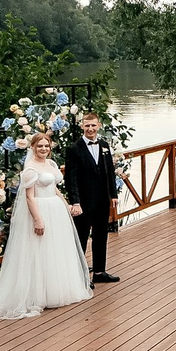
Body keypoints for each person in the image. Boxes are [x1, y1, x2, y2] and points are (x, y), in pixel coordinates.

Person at [0, 130, 94, 319]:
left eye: (46, 146)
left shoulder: (51, 164)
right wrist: (38, 219)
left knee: (56, 250)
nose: (43, 149)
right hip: (40, 208)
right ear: (33, 147)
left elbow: (54, 188)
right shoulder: (30, 168)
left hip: (56, 209)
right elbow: (29, 197)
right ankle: (38, 293)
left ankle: (58, 289)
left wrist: (67, 206)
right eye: (40, 146)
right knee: (40, 250)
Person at [63, 111, 120, 283]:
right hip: (84, 201)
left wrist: (113, 194)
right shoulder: (74, 148)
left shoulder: (104, 145)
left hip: (102, 200)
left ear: (99, 126)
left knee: (101, 236)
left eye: (93, 125)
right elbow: (70, 178)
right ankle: (80, 275)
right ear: (82, 126)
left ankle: (99, 272)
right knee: (81, 238)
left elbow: (109, 171)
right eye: (87, 125)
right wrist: (75, 201)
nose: (90, 129)